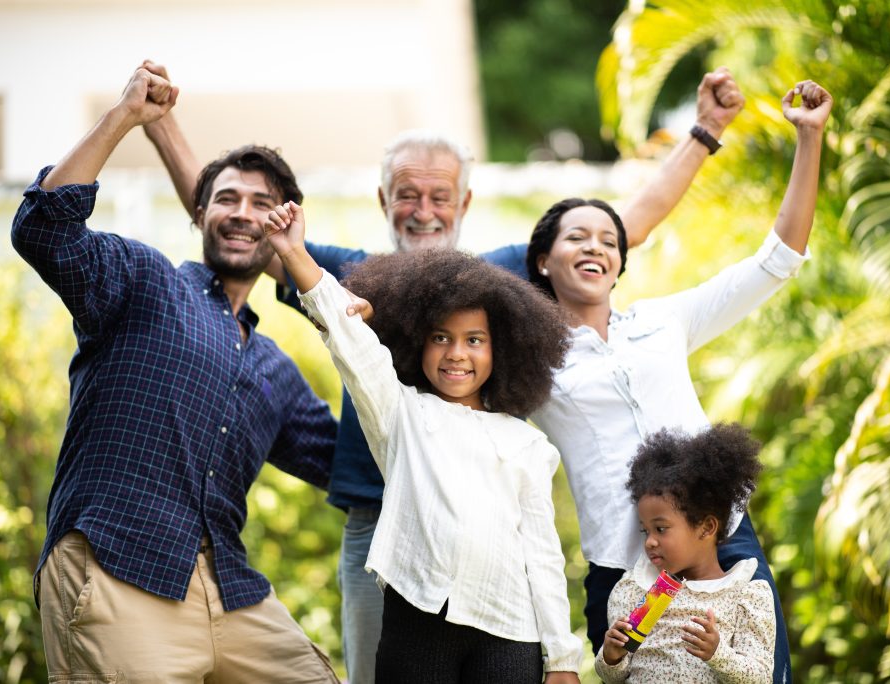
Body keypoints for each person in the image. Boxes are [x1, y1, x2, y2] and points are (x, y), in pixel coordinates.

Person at [142, 59, 745, 683]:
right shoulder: (344, 274)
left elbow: (626, 227)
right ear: (383, 200)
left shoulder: (499, 280)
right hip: (381, 523)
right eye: (407, 194)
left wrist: (703, 131)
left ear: (464, 202)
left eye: (439, 195)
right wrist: (162, 129)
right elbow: (241, 225)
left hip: (487, 528)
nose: (423, 210)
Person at [11, 66, 340, 683]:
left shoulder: (276, 369)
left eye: (262, 205)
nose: (243, 214)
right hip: (119, 565)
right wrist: (125, 118)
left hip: (234, 592)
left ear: (287, 227)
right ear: (200, 214)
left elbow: (356, 462)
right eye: (226, 199)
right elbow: (43, 229)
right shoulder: (142, 281)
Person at [527, 79, 834, 684]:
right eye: (577, 237)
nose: (597, 247)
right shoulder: (530, 361)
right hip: (624, 566)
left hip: (723, 543)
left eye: (610, 241)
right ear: (542, 259)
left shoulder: (663, 321)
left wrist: (810, 136)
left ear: (620, 263)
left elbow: (779, 259)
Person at [263, 201, 582, 683]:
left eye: (475, 339)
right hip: (418, 620)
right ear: (418, 342)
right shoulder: (401, 412)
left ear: (504, 348)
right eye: (441, 337)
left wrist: (561, 660)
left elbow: (541, 552)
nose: (457, 354)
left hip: (510, 627)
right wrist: (293, 252)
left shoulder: (528, 445)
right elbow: (350, 340)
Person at [595, 424, 774, 683]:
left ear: (706, 527)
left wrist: (718, 654)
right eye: (645, 531)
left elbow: (760, 678)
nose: (650, 542)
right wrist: (611, 656)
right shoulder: (634, 589)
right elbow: (613, 677)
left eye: (661, 528)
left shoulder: (746, 596)